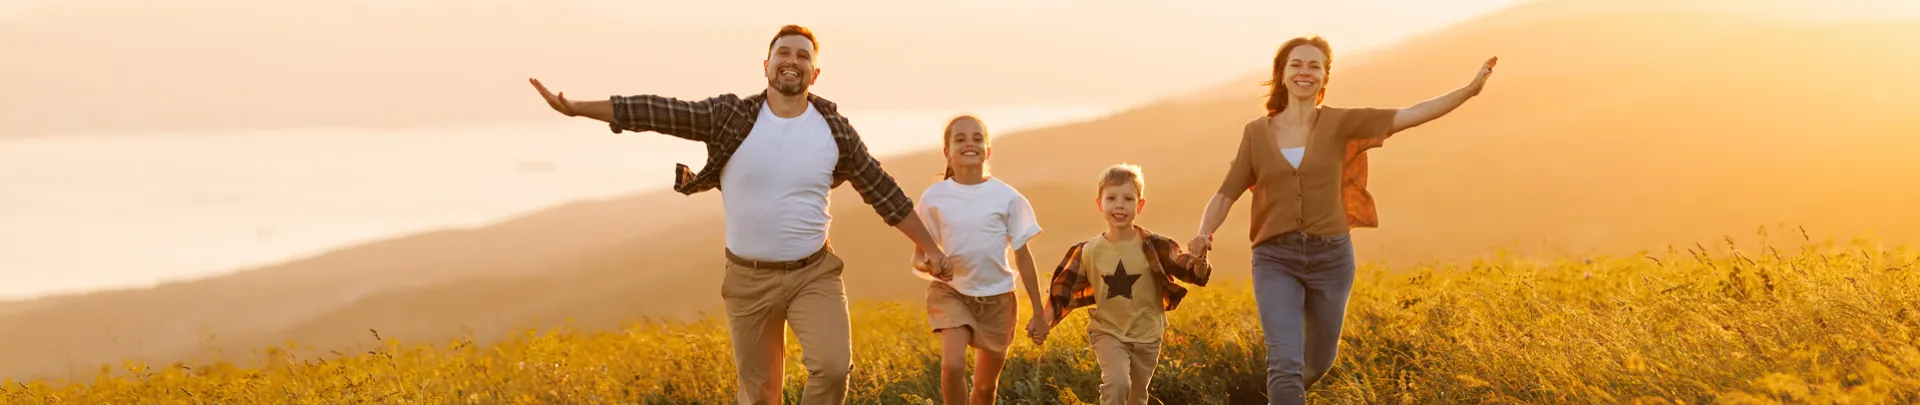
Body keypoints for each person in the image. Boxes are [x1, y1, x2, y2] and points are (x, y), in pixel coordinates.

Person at [528, 24, 953, 405]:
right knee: (759, 394)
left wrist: (929, 247)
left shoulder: (835, 130)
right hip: (747, 279)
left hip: (814, 273)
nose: (792, 61)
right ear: (766, 65)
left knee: (833, 368)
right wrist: (578, 107)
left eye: (803, 56)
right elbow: (658, 111)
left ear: (815, 74)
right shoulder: (730, 117)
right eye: (784, 53)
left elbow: (884, 192)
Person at [1185, 35, 1497, 404]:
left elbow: (1411, 113)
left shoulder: (1341, 123)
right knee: (1284, 361)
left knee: (1318, 361)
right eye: (1296, 64)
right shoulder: (1256, 133)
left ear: (1325, 78)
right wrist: (1204, 233)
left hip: (1331, 259)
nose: (1305, 71)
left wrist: (1469, 90)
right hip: (1275, 259)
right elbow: (1226, 193)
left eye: (1314, 66)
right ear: (1282, 75)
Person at [1034, 163, 1212, 405]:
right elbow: (1061, 292)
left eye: (1128, 199)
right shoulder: (1088, 251)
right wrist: (1043, 323)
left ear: (1139, 206)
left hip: (1148, 335)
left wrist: (1200, 259)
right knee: (1118, 384)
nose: (1120, 205)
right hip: (1108, 332)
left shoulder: (1154, 245)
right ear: (1100, 204)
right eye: (1112, 198)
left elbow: (1191, 272)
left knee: (1136, 397)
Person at [909, 115, 1048, 405]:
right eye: (959, 139)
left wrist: (1038, 312)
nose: (969, 143)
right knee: (953, 366)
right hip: (952, 293)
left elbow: (1023, 257)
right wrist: (932, 264)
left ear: (988, 150)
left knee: (985, 388)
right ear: (946, 151)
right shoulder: (934, 197)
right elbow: (919, 255)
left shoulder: (1008, 198)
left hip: (997, 300)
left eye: (977, 138)